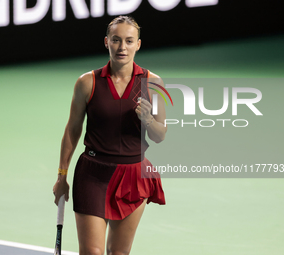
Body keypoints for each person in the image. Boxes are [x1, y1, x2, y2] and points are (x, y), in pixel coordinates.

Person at [53, 16, 167, 255]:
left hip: (134, 176)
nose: (122, 47)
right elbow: (72, 129)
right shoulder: (87, 82)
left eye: (128, 41)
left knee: (118, 252)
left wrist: (147, 119)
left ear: (138, 45)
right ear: (107, 42)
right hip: (93, 174)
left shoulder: (153, 83)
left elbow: (160, 135)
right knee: (92, 252)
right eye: (116, 40)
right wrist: (62, 175)